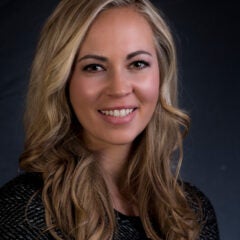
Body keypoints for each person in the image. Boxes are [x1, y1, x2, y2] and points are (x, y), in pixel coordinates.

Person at [0, 0, 219, 239]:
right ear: (62, 80)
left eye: (137, 64)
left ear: (161, 75)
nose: (119, 88)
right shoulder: (24, 213)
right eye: (94, 67)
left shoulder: (192, 213)